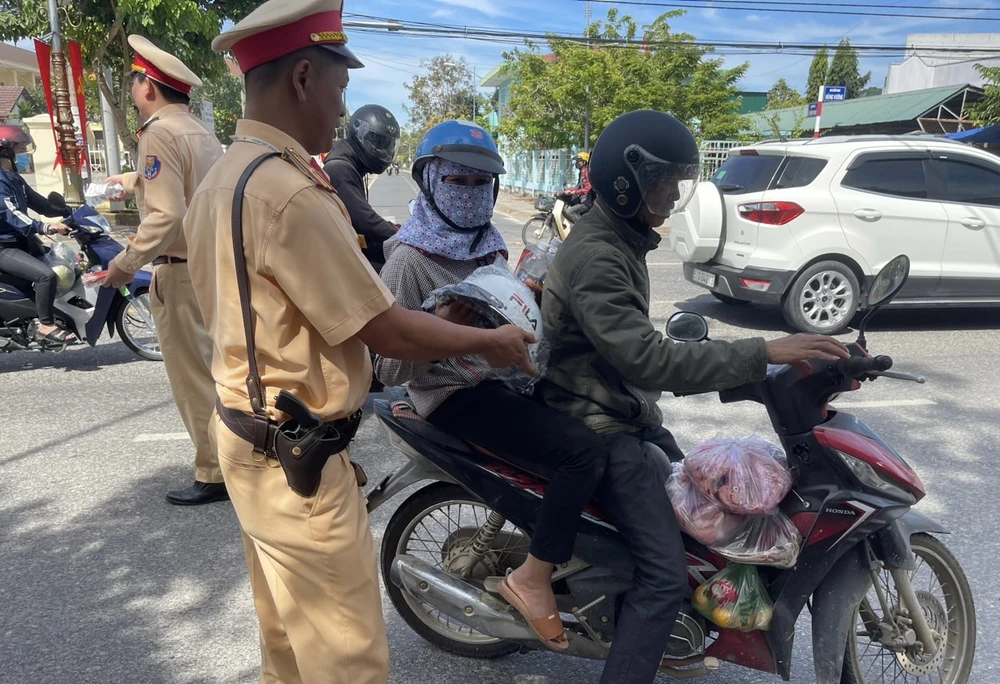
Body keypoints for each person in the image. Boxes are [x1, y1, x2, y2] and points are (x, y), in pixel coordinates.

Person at [185, 3, 534, 682]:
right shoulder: (290, 194)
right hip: (298, 460)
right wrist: (489, 340)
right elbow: (389, 329)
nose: (343, 110)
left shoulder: (224, 179)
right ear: (305, 78)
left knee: (287, 646)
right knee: (349, 663)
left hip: (246, 436)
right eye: (342, 89)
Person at [540, 110, 851, 684]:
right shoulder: (600, 256)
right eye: (666, 182)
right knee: (664, 576)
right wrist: (764, 352)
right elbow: (649, 359)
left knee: (701, 504)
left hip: (623, 411)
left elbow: (640, 354)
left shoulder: (620, 239)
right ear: (628, 180)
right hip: (597, 425)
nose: (675, 194)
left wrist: (765, 372)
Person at [374, 120, 608, 652]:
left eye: (484, 185)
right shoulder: (408, 261)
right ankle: (532, 579)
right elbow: (385, 370)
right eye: (460, 183)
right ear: (431, 182)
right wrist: (450, 333)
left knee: (610, 421)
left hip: (509, 381)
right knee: (582, 455)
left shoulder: (489, 245)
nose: (473, 196)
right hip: (457, 396)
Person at [101, 36, 227, 507]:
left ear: (147, 87)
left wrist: (123, 263)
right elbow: (194, 188)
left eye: (134, 80)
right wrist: (135, 179)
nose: (133, 89)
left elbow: (166, 215)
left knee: (194, 379)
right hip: (211, 269)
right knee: (217, 371)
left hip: (179, 271)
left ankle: (215, 472)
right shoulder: (199, 131)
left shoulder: (157, 134)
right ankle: (232, 460)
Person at [0, 127, 74, 343]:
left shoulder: (14, 178)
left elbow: (41, 204)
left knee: (63, 264)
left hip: (21, 243)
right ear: (5, 150)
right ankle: (46, 325)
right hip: (4, 248)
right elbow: (10, 213)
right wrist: (44, 227)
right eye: (19, 146)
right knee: (46, 275)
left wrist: (69, 212)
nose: (23, 150)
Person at [323, 104, 401, 273]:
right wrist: (404, 237)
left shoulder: (351, 165)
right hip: (342, 264)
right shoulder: (339, 169)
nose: (381, 150)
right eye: (377, 143)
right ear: (358, 134)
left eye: (386, 145)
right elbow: (366, 222)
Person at [557, 151, 592, 223]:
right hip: (582, 200)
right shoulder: (581, 173)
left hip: (587, 202)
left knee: (571, 212)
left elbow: (587, 189)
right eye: (576, 161)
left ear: (585, 162)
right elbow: (578, 187)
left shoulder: (587, 173)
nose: (577, 163)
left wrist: (574, 192)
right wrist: (566, 191)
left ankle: (580, 230)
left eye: (579, 161)